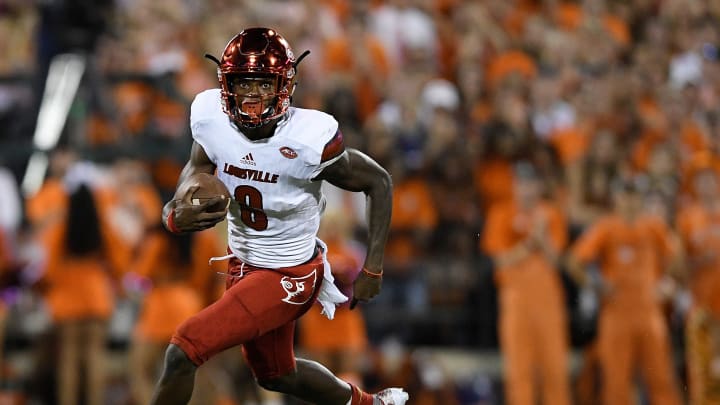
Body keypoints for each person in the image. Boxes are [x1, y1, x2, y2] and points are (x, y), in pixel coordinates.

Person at [150, 28, 406, 405]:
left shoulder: (307, 139)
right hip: (242, 262)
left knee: (184, 349)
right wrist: (177, 208)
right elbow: (195, 168)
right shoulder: (211, 118)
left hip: (290, 273)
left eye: (263, 84)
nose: (252, 95)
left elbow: (379, 182)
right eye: (244, 83)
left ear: (284, 85)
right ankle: (372, 404)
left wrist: (373, 269)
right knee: (276, 375)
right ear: (226, 85)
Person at [566, 178, 682, 405]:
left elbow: (677, 256)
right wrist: (596, 285)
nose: (629, 201)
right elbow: (574, 261)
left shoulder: (653, 226)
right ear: (616, 199)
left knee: (661, 379)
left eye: (634, 196)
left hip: (649, 312)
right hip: (616, 314)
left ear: (640, 199)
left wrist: (667, 282)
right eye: (625, 195)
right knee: (617, 383)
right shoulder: (606, 227)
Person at [481, 161, 572, 405]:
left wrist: (541, 240)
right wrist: (532, 241)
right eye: (521, 184)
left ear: (540, 186)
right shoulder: (501, 213)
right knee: (520, 370)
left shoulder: (551, 213)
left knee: (554, 369)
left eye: (531, 183)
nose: (526, 189)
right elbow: (500, 260)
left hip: (548, 302)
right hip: (516, 301)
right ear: (514, 186)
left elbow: (556, 260)